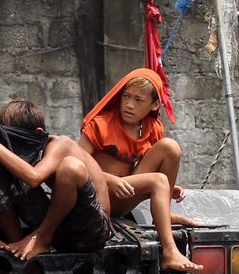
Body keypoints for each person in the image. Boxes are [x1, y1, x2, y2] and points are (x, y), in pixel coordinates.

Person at [0, 100, 114, 260]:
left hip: (92, 230)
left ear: (38, 133)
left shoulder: (61, 144)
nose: (12, 147)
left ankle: (41, 239)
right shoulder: (25, 152)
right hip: (58, 228)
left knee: (70, 167)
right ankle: (21, 253)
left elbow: (34, 178)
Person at [79, 68, 196, 228]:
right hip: (97, 196)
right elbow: (75, 163)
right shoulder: (100, 124)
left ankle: (165, 213)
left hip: (125, 194)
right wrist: (110, 180)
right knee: (157, 180)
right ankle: (168, 244)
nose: (129, 105)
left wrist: (165, 189)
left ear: (154, 105)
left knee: (170, 147)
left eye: (139, 100)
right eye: (126, 96)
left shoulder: (153, 128)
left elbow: (154, 172)